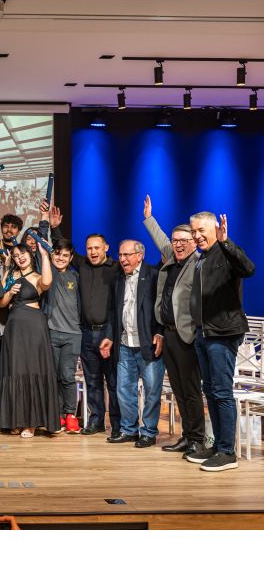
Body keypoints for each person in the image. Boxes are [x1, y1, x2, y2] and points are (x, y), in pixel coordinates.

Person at [186, 212, 255, 472]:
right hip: (204, 333)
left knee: (222, 391)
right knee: (211, 391)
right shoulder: (201, 258)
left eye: (201, 230)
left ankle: (228, 452)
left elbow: (248, 269)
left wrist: (227, 243)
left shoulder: (225, 252)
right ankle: (217, 445)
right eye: (194, 231)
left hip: (223, 333)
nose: (197, 236)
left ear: (216, 228)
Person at [50, 207, 121, 438]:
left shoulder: (116, 269)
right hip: (86, 334)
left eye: (96, 248)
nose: (92, 252)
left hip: (109, 334)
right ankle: (96, 421)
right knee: (92, 381)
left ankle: (118, 424)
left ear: (106, 248)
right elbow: (63, 252)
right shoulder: (81, 265)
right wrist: (54, 227)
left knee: (112, 381)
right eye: (89, 248)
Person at [143, 195, 204, 456]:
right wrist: (148, 218)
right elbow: (160, 239)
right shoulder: (172, 259)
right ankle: (186, 437)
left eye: (183, 241)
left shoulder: (198, 263)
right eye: (175, 241)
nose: (177, 245)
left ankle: (197, 440)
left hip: (186, 337)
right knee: (178, 390)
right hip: (167, 335)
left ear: (194, 243)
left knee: (190, 391)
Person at [106, 240, 164, 448]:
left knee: (151, 391)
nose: (122, 259)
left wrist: (160, 333)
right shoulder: (118, 278)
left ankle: (148, 432)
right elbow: (114, 311)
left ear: (140, 255)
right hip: (124, 343)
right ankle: (129, 429)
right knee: (124, 389)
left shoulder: (154, 275)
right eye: (120, 255)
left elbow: (161, 309)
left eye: (127, 255)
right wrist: (110, 337)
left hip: (147, 344)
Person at [0, 243, 59, 438]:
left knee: (32, 369)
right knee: (15, 370)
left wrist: (45, 256)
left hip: (34, 327)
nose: (19, 257)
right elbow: (1, 303)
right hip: (14, 327)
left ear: (30, 255)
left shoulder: (37, 277)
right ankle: (16, 420)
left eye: (22, 253)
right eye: (15, 255)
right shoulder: (10, 276)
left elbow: (48, 283)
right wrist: (9, 292)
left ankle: (31, 423)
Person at [43, 237, 83, 434]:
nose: (60, 258)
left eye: (65, 255)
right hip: (51, 332)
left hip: (73, 334)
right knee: (55, 376)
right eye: (57, 254)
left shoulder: (76, 277)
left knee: (67, 375)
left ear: (71, 257)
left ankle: (70, 415)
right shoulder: (47, 272)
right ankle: (57, 414)